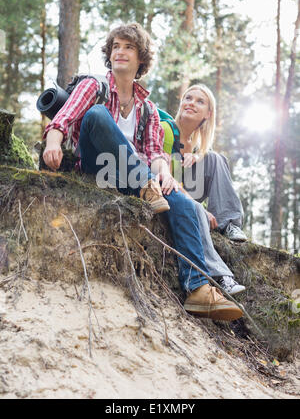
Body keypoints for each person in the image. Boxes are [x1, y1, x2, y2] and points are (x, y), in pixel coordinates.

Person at [42, 22, 243, 321]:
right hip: (99, 167)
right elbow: (65, 117)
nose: (120, 52)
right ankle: (145, 183)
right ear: (109, 55)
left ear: (141, 59)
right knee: (96, 115)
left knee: (185, 202)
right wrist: (53, 142)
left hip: (138, 182)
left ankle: (198, 288)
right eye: (115, 47)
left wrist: (164, 174)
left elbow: (156, 154)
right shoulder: (95, 85)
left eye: (129, 47)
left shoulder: (148, 109)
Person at [161, 84, 246, 295]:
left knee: (217, 158)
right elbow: (166, 177)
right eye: (188, 98)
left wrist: (198, 156)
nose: (191, 103)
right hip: (167, 188)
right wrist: (199, 205)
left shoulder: (198, 144)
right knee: (196, 209)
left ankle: (230, 224)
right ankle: (221, 276)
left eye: (200, 101)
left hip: (186, 188)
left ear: (208, 114)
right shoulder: (165, 130)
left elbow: (205, 159)